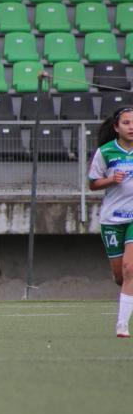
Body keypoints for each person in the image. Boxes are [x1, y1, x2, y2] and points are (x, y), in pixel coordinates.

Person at [89, 107, 133, 337]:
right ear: (116, 127)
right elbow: (93, 183)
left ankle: (122, 325)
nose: (131, 127)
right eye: (126, 123)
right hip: (112, 218)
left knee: (130, 268)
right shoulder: (105, 152)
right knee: (120, 276)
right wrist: (110, 180)